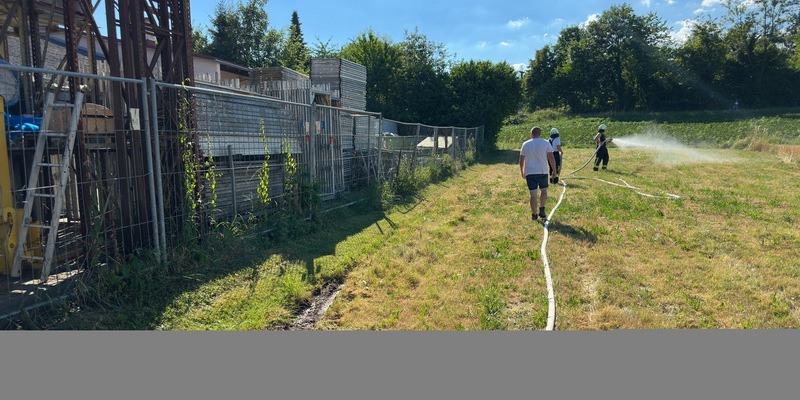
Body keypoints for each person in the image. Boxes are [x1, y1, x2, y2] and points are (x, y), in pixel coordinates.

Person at [520, 126, 558, 221]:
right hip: (542, 171)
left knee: (533, 194)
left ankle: (534, 214)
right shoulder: (546, 143)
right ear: (540, 134)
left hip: (530, 172)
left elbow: (521, 160)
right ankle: (542, 208)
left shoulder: (525, 144)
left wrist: (522, 171)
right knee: (544, 191)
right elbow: (551, 157)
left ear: (531, 134)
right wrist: (554, 170)